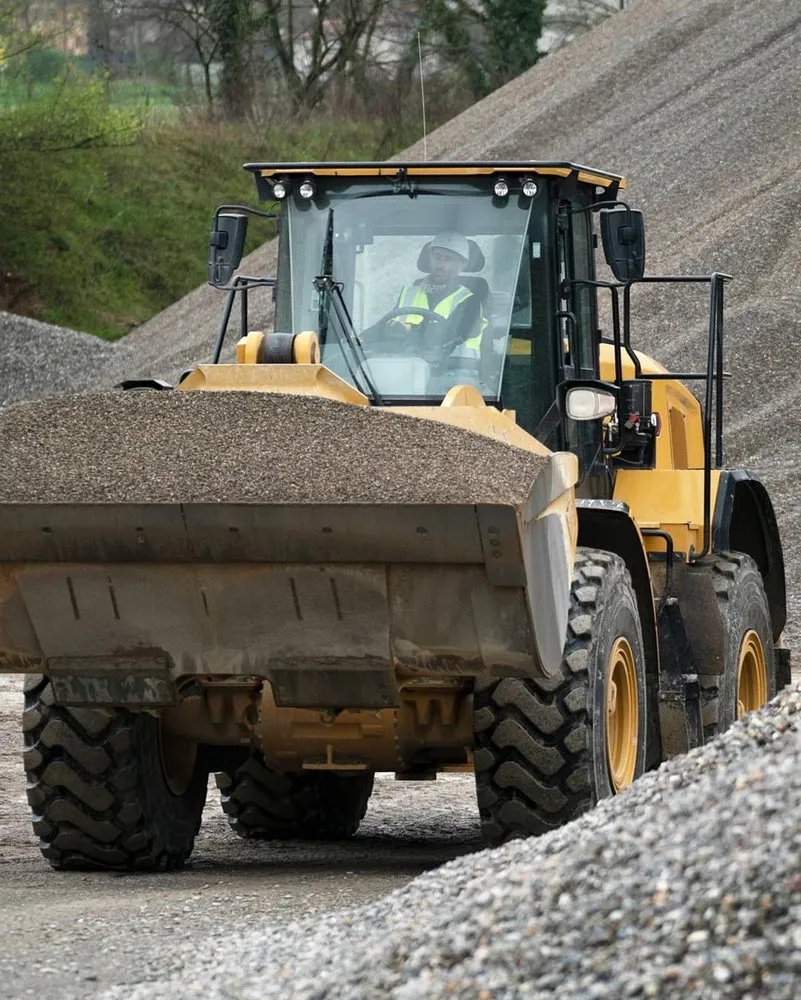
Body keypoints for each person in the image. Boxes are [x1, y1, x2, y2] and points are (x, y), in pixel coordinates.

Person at [387, 231, 488, 372]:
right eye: (436, 257)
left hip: (457, 377)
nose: (440, 264)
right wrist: (359, 340)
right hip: (407, 373)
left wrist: (408, 330)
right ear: (429, 258)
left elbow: (453, 335)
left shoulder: (471, 300)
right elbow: (386, 325)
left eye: (448, 259)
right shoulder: (409, 293)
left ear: (463, 264)